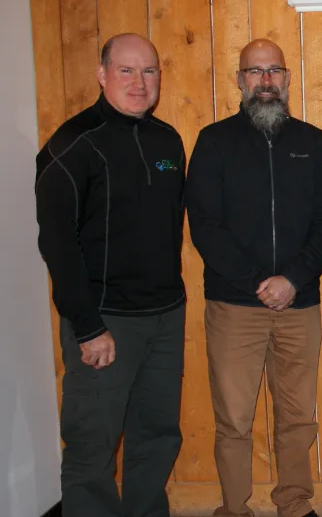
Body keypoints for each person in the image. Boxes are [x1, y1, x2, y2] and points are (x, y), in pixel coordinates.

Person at [185, 38, 322, 517]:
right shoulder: (214, 141)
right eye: (255, 72)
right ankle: (235, 508)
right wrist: (258, 281)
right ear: (240, 80)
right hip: (235, 305)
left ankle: (294, 504)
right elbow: (204, 224)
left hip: (300, 303)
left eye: (274, 71)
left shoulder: (312, 141)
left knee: (297, 419)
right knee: (233, 420)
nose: (266, 81)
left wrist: (292, 279)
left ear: (288, 79)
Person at [35, 33, 186, 517]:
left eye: (149, 71)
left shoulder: (168, 141)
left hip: (165, 316)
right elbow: (57, 244)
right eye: (127, 70)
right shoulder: (72, 144)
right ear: (102, 75)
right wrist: (88, 326)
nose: (140, 82)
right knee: (91, 446)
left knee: (157, 436)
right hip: (105, 322)